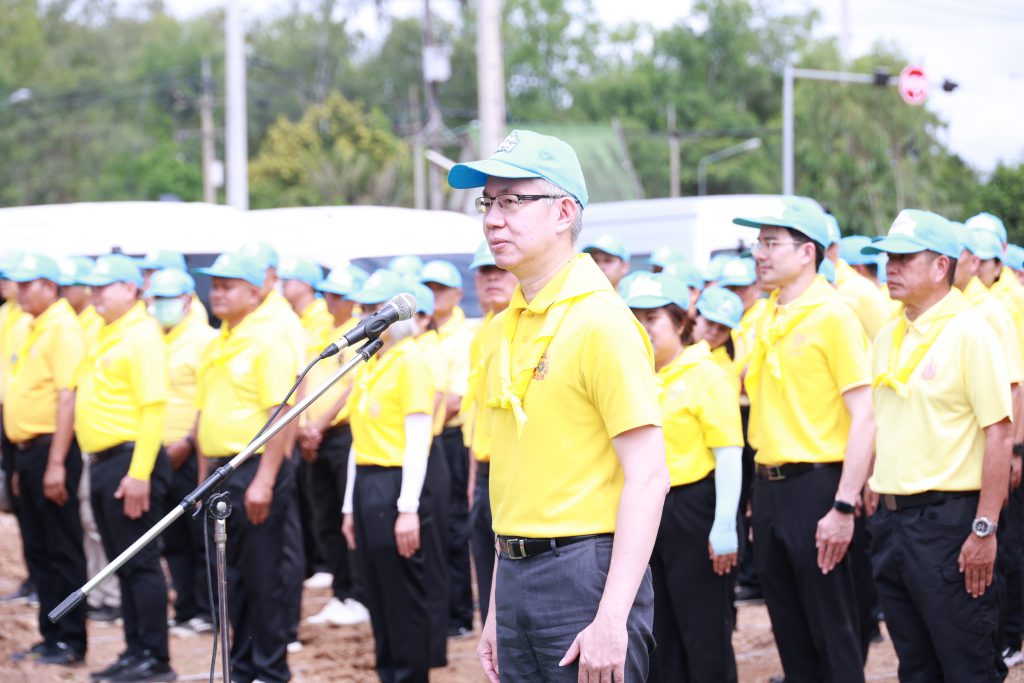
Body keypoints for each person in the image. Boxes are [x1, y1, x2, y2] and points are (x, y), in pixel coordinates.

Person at [448, 129, 668, 682]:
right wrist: (497, 605)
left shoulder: (602, 322)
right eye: (487, 204)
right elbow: (515, 479)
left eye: (511, 201)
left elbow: (648, 477)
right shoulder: (505, 327)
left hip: (584, 573)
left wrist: (611, 618)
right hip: (514, 572)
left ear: (564, 212)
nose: (493, 221)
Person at [862, 209, 1014, 681]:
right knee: (916, 666)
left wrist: (984, 529)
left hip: (948, 522)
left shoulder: (970, 332)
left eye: (904, 259)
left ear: (940, 266)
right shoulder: (888, 336)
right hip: (892, 522)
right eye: (888, 258)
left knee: (967, 664)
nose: (891, 268)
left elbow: (999, 431)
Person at [734, 196, 875, 682]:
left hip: (818, 487)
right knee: (789, 632)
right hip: (769, 488)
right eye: (758, 243)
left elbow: (864, 415)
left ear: (807, 251)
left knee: (833, 631)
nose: (759, 253)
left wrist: (844, 505)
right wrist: (758, 501)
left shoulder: (834, 316)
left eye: (771, 243)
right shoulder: (764, 315)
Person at [623, 272, 743, 682]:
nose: (642, 328)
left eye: (652, 318)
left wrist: (724, 524)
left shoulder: (705, 374)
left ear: (679, 322)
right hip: (643, 508)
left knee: (703, 629)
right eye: (634, 318)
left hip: (692, 508)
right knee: (658, 633)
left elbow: (728, 452)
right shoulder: (631, 375)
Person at [194, 251, 299, 683]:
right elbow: (208, 413)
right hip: (221, 472)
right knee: (231, 576)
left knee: (262, 576)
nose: (217, 293)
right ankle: (241, 666)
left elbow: (281, 412)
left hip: (254, 468)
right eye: (214, 285)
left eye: (227, 286)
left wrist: (265, 480)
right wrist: (202, 481)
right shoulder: (219, 339)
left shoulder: (268, 339)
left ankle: (271, 670)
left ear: (254, 293)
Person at [76, 254, 173, 682]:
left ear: (131, 289)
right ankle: (135, 651)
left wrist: (139, 473)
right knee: (123, 563)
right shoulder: (107, 331)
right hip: (105, 462)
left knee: (141, 563)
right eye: (94, 287)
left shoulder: (141, 335)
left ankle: (154, 657)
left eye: (105, 286)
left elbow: (154, 408)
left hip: (130, 462)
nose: (96, 294)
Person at [341, 272, 437, 683]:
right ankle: (388, 672)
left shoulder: (410, 360)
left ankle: (409, 674)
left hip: (394, 484)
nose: (366, 317)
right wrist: (349, 506)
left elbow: (418, 439)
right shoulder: (371, 361)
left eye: (374, 309)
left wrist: (408, 508)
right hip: (367, 483)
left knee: (401, 591)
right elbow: (357, 439)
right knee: (376, 590)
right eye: (363, 309)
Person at [3, 253, 88, 666]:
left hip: (52, 450)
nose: (19, 292)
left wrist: (56, 463)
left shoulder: (62, 329)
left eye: (28, 284)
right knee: (39, 548)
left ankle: (71, 639)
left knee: (62, 548)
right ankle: (50, 633)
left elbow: (67, 397)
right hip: (28, 452)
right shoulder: (30, 325)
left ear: (50, 287)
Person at [147, 268, 217, 636]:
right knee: (172, 537)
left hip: (191, 452)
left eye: (168, 298)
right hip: (158, 453)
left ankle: (207, 609)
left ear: (188, 300)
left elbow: (206, 401)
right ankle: (186, 606)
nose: (161, 305)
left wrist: (188, 442)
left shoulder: (204, 339)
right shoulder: (153, 336)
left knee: (199, 534)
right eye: (156, 298)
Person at [301, 264, 372, 628]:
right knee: (325, 517)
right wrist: (305, 426)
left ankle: (358, 593)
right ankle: (341, 591)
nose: (331, 300)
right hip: (315, 436)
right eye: (327, 293)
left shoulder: (361, 332)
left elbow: (351, 388)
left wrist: (320, 424)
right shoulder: (318, 330)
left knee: (348, 518)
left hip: (342, 433)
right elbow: (304, 378)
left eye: (339, 295)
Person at [462, 241, 518, 628]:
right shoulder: (483, 332)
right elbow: (479, 412)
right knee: (486, 576)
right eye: (484, 271)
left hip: (516, 472)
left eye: (499, 270)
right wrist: (472, 480)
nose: (492, 278)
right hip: (484, 472)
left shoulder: (525, 329)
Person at [419, 258, 475, 639]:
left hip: (449, 439)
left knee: (453, 524)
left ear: (457, 294)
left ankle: (458, 613)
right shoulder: (424, 332)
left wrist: (423, 431)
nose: (434, 295)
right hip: (427, 436)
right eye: (429, 288)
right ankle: (442, 609)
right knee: (433, 524)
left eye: (441, 289)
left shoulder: (463, 336)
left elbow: (454, 399)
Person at [692, 285, 745, 395]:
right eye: (710, 322)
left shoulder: (725, 372)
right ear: (695, 316)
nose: (714, 331)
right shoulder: (670, 350)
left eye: (723, 328)